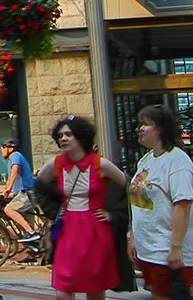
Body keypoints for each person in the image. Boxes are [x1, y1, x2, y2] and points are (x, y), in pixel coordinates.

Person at [37, 115, 130, 300]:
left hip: (95, 230)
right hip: (68, 230)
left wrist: (113, 214)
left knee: (94, 288)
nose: (63, 138)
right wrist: (54, 210)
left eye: (69, 134)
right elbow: (39, 187)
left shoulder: (100, 163)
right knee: (63, 291)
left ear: (81, 137)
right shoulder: (55, 164)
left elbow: (129, 187)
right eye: (61, 135)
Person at [128, 106, 193, 300]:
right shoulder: (146, 161)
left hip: (166, 252)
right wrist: (133, 237)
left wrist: (176, 248)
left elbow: (182, 205)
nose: (140, 129)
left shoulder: (177, 161)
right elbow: (138, 203)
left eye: (146, 124)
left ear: (160, 128)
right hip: (147, 249)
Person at [2, 138, 39, 240]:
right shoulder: (11, 160)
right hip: (24, 193)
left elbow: (15, 169)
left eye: (3, 147)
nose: (1, 150)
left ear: (9, 148)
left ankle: (32, 233)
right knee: (27, 223)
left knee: (9, 209)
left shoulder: (15, 155)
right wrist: (4, 193)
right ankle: (35, 245)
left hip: (27, 193)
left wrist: (9, 188)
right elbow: (10, 179)